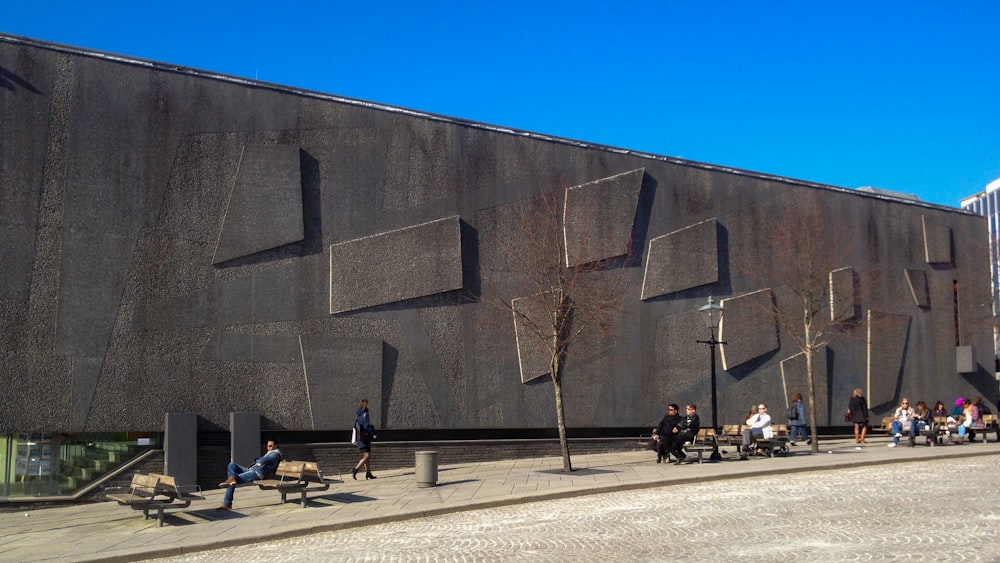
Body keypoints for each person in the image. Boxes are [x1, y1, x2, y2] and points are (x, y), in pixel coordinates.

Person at [216, 440, 282, 511]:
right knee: (232, 465)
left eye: (270, 446)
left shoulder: (275, 454)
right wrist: (258, 460)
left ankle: (227, 504)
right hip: (252, 470)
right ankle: (232, 479)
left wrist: (257, 459)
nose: (268, 448)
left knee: (231, 482)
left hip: (257, 473)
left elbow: (262, 461)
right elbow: (261, 460)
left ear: (276, 446)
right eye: (267, 446)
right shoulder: (270, 453)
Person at [352, 399, 378, 479]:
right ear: (366, 405)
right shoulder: (365, 415)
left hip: (360, 438)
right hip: (365, 438)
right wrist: (373, 433)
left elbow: (355, 427)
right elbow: (366, 426)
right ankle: (355, 469)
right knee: (367, 456)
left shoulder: (358, 417)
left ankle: (368, 473)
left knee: (366, 456)